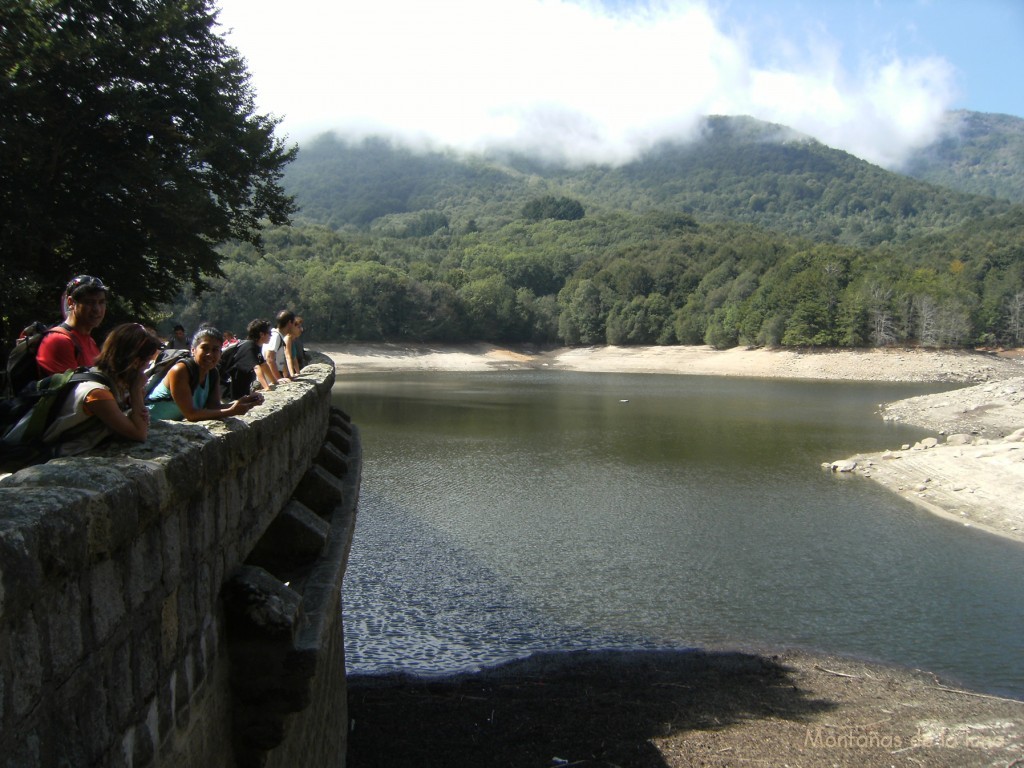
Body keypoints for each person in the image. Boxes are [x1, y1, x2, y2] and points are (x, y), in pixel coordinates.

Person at [39, 323, 161, 457]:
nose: (147, 368)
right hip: (54, 458)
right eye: (148, 361)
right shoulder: (97, 393)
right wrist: (136, 390)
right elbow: (139, 433)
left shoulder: (104, 379)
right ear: (136, 362)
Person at [147, 326, 263, 421]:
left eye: (215, 350)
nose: (209, 354)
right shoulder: (180, 371)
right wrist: (232, 411)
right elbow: (191, 414)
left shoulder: (212, 373)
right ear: (193, 350)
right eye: (205, 348)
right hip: (151, 425)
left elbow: (214, 408)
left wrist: (244, 402)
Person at [35, 275, 109, 376]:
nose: (97, 309)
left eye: (101, 302)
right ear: (71, 302)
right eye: (89, 302)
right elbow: (70, 390)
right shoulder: (59, 340)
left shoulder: (90, 341)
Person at [225, 319, 275, 398]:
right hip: (230, 389)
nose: (271, 336)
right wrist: (267, 388)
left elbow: (263, 365)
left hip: (242, 387)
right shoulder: (249, 346)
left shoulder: (256, 346)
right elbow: (256, 367)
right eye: (269, 333)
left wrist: (275, 382)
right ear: (261, 334)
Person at [261, 310, 297, 384]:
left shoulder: (278, 335)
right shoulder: (276, 336)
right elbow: (269, 358)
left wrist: (287, 375)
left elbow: (279, 359)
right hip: (268, 382)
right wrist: (278, 379)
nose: (294, 326)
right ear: (290, 323)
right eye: (294, 323)